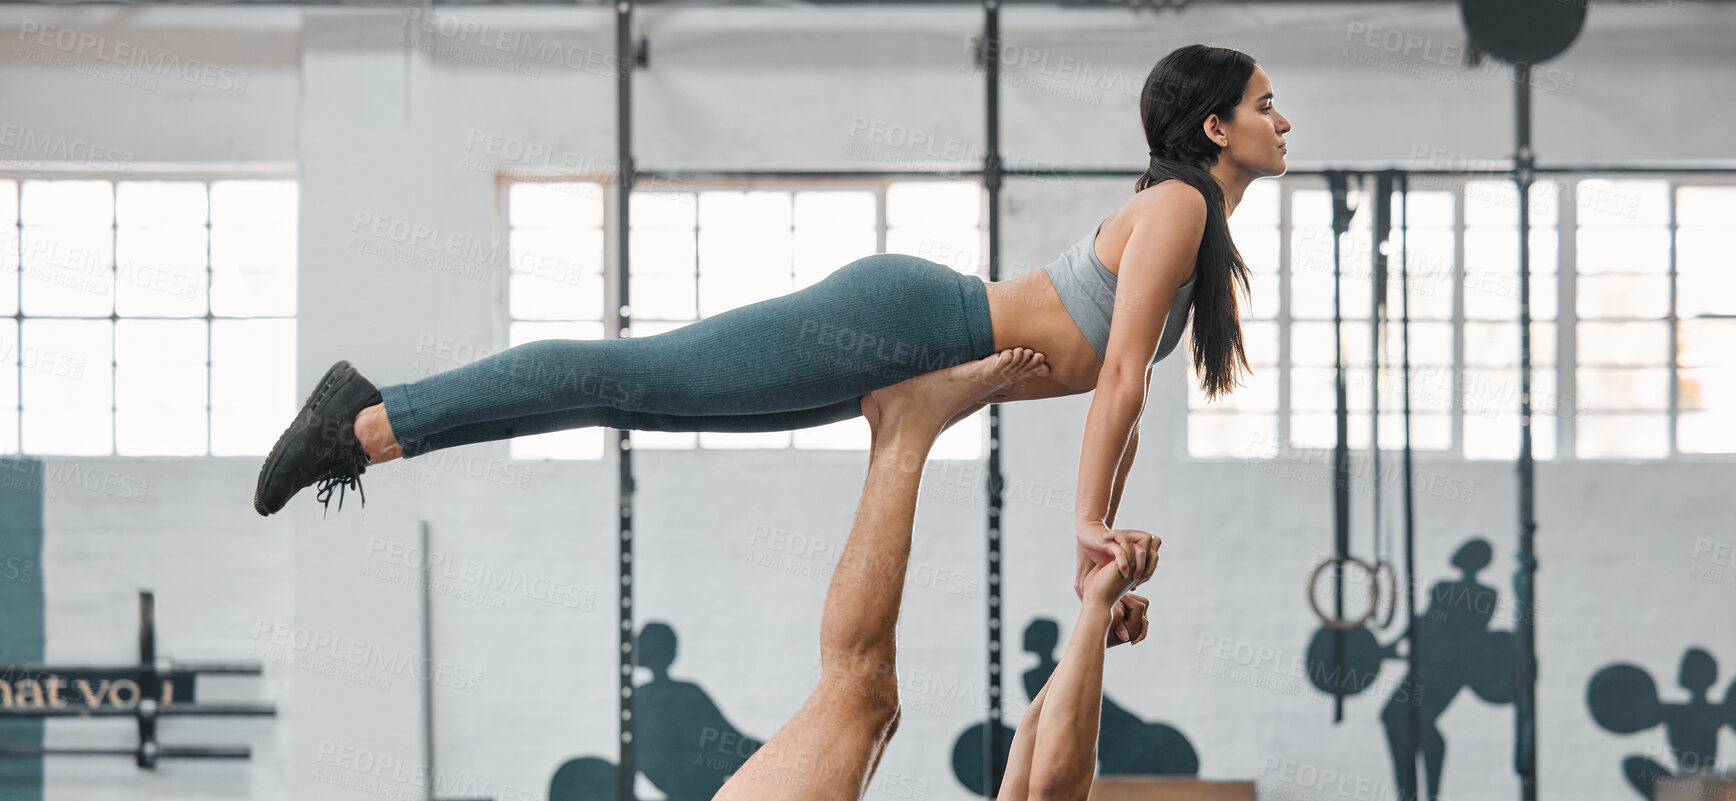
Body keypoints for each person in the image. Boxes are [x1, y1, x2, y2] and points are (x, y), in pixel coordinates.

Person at [252, 42, 1290, 574]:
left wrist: (1092, 524)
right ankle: (364, 419)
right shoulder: (1173, 209)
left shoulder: (1191, 220)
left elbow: (1110, 384)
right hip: (906, 322)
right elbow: (1115, 381)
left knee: (637, 403)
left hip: (912, 352)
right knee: (631, 375)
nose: (1280, 121)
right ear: (1212, 124)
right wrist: (1086, 520)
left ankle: (371, 429)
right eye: (1263, 104)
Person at [625, 363, 1219, 801]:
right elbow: (1024, 793)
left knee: (861, 694)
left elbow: (1062, 788)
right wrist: (1092, 642)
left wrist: (1095, 604)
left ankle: (904, 426)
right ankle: (902, 428)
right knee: (869, 703)